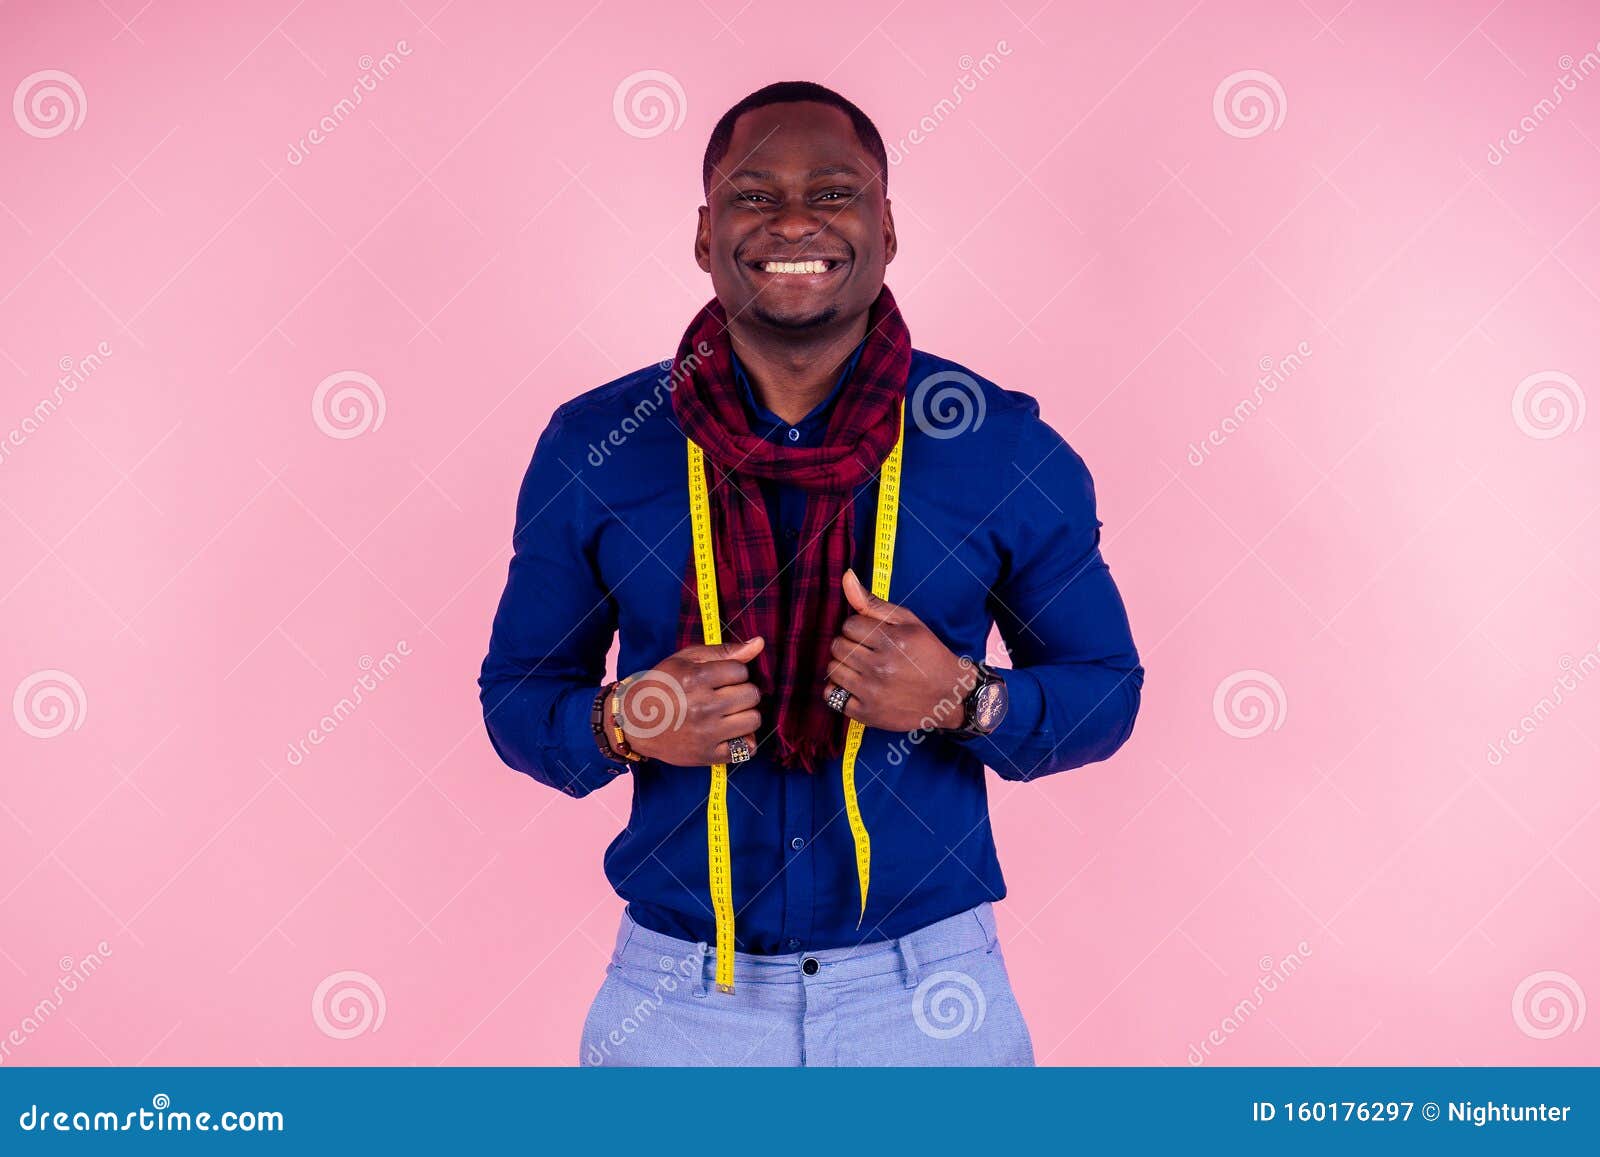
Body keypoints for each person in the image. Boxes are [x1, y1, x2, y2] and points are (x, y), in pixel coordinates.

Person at [478, 80, 1143, 1066]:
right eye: (754, 195)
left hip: (929, 1000)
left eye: (833, 192)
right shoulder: (600, 445)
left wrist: (963, 697)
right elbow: (518, 698)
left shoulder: (1000, 444)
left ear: (885, 226)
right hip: (675, 1003)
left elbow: (1105, 691)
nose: (793, 218)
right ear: (706, 234)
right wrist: (629, 721)